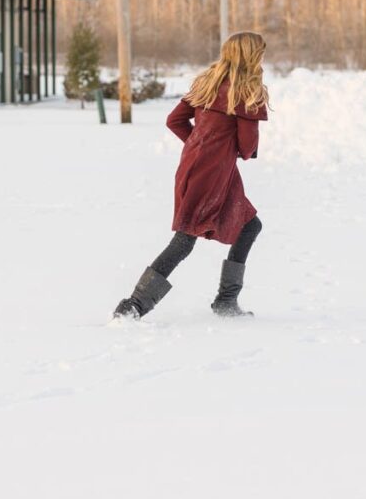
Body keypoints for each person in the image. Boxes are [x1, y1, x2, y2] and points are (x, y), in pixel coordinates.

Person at [113, 31, 270, 320]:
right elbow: (246, 149)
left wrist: (201, 146)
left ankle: (226, 301)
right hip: (213, 175)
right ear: (252, 56)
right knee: (184, 240)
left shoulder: (207, 83)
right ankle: (133, 306)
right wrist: (217, 150)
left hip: (198, 169)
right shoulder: (246, 93)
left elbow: (175, 120)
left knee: (250, 226)